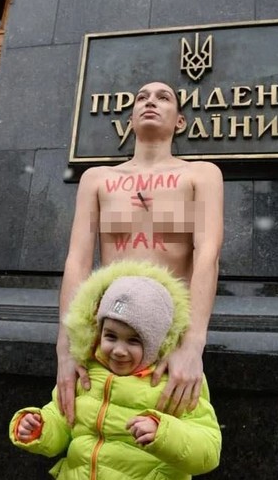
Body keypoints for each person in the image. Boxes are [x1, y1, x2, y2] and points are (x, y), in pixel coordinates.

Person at [57, 80, 224, 426]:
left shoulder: (201, 175)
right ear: (130, 119)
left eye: (163, 97)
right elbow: (78, 261)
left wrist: (193, 346)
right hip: (108, 336)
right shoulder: (97, 179)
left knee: (162, 440)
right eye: (142, 98)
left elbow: (208, 256)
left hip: (168, 342)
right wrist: (66, 347)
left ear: (180, 121)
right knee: (92, 437)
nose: (151, 102)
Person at [10, 260, 222, 478]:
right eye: (111, 336)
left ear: (156, 342)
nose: (119, 350)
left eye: (134, 341)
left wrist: (164, 434)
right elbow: (62, 421)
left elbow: (208, 449)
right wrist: (39, 427)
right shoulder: (86, 371)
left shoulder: (175, 381)